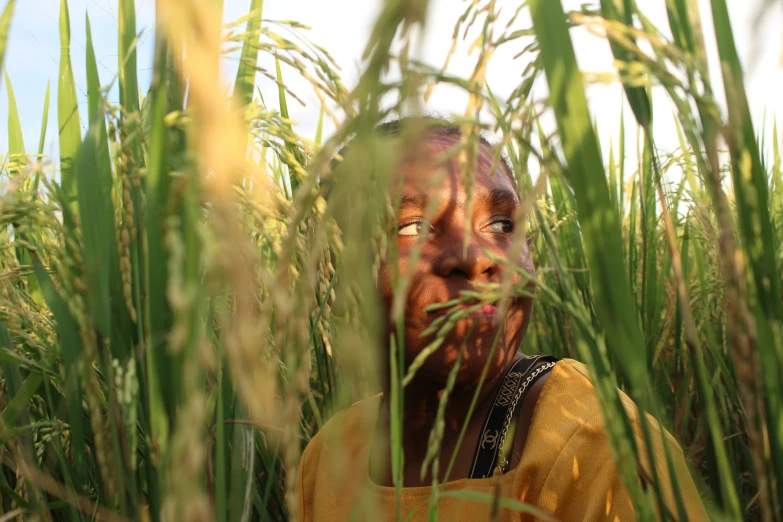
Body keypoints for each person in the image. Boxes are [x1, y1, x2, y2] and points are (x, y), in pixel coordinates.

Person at [295, 119, 709, 521]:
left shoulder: (601, 450)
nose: (476, 259)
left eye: (501, 224)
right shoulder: (327, 459)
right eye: (414, 227)